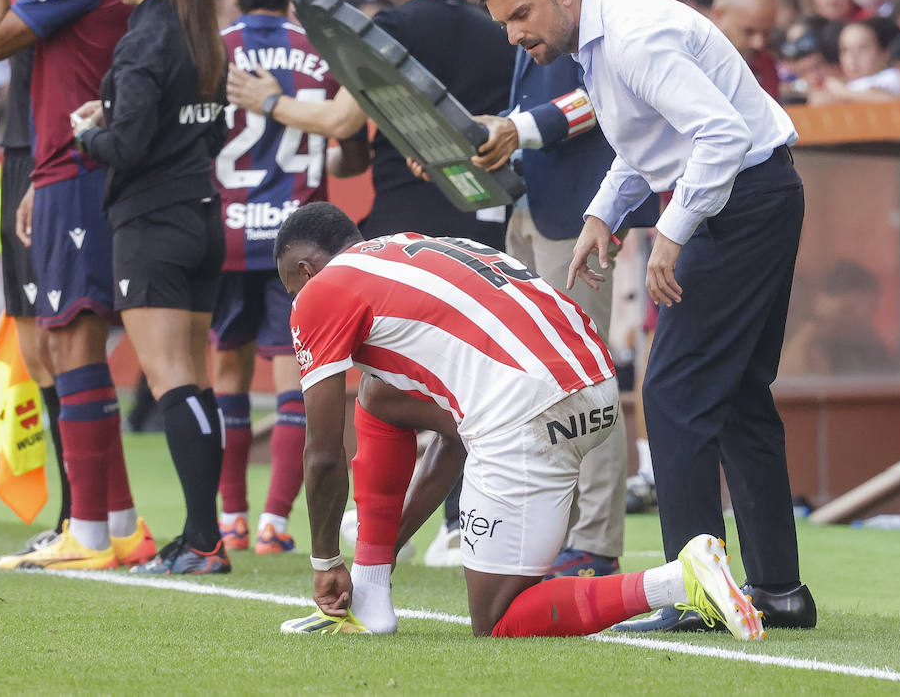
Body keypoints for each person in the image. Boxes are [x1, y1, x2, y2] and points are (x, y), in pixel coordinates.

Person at [473, 0, 816, 631]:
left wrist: (671, 233)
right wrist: (606, 214)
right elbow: (648, 144)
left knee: (673, 393)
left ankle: (694, 595)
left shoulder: (630, 37)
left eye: (522, 14)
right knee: (738, 397)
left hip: (741, 200)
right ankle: (779, 589)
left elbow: (719, 136)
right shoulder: (605, 33)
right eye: (505, 23)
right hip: (754, 196)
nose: (515, 35)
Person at [272, 202, 765, 642]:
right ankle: (372, 595)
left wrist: (325, 564)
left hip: (527, 408)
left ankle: (680, 579)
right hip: (594, 385)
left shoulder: (322, 292)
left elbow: (323, 455)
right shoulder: (413, 246)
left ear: (305, 269)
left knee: (498, 619)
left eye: (293, 288)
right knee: (380, 395)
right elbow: (456, 432)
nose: (297, 301)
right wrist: (371, 563)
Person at [229, 0, 515, 565]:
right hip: (483, 224)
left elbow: (338, 121)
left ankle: (376, 518)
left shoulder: (389, 28)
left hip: (407, 229)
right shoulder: (497, 30)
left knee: (391, 384)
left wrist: (267, 101)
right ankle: (463, 521)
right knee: (470, 379)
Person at [467, 0, 652, 578]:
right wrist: (503, 136)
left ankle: (598, 541)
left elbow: (609, 95)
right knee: (547, 374)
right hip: (540, 197)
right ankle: (558, 529)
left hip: (583, 204)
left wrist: (522, 129)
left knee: (584, 373)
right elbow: (534, 95)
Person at [0, 0, 153, 571]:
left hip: (80, 173)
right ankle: (118, 522)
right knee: (57, 342)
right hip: (61, 169)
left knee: (73, 339)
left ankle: (86, 532)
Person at [69, 0, 230, 574]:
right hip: (200, 216)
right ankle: (202, 536)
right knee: (194, 382)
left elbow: (128, 146)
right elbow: (209, 131)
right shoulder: (203, 35)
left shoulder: (143, 39)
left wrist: (87, 133)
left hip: (152, 225)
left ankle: (201, 542)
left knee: (171, 385)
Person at [211, 0, 367, 556]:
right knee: (292, 375)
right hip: (296, 242)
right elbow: (352, 160)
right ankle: (277, 520)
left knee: (227, 369)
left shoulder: (212, 52)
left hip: (223, 232)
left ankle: (231, 517)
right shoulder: (320, 53)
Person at [0, 0, 68, 561]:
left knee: (61, 342)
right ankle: (80, 515)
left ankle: (87, 515)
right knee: (34, 348)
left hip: (45, 164)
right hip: (17, 162)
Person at [712, 0, 781, 99]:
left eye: (766, 33)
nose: (759, 43)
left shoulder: (765, 63)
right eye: (748, 31)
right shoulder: (691, 62)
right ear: (718, 15)